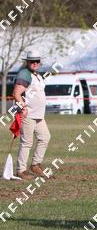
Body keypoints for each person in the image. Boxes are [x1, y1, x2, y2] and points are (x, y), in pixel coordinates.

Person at [12, 50, 51, 181]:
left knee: (45, 137)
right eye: (32, 61)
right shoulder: (24, 73)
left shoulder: (37, 75)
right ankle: (21, 170)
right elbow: (16, 93)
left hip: (39, 115)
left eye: (37, 61)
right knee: (26, 142)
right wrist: (22, 108)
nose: (35, 63)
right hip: (28, 115)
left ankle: (35, 165)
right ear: (27, 62)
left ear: (39, 62)